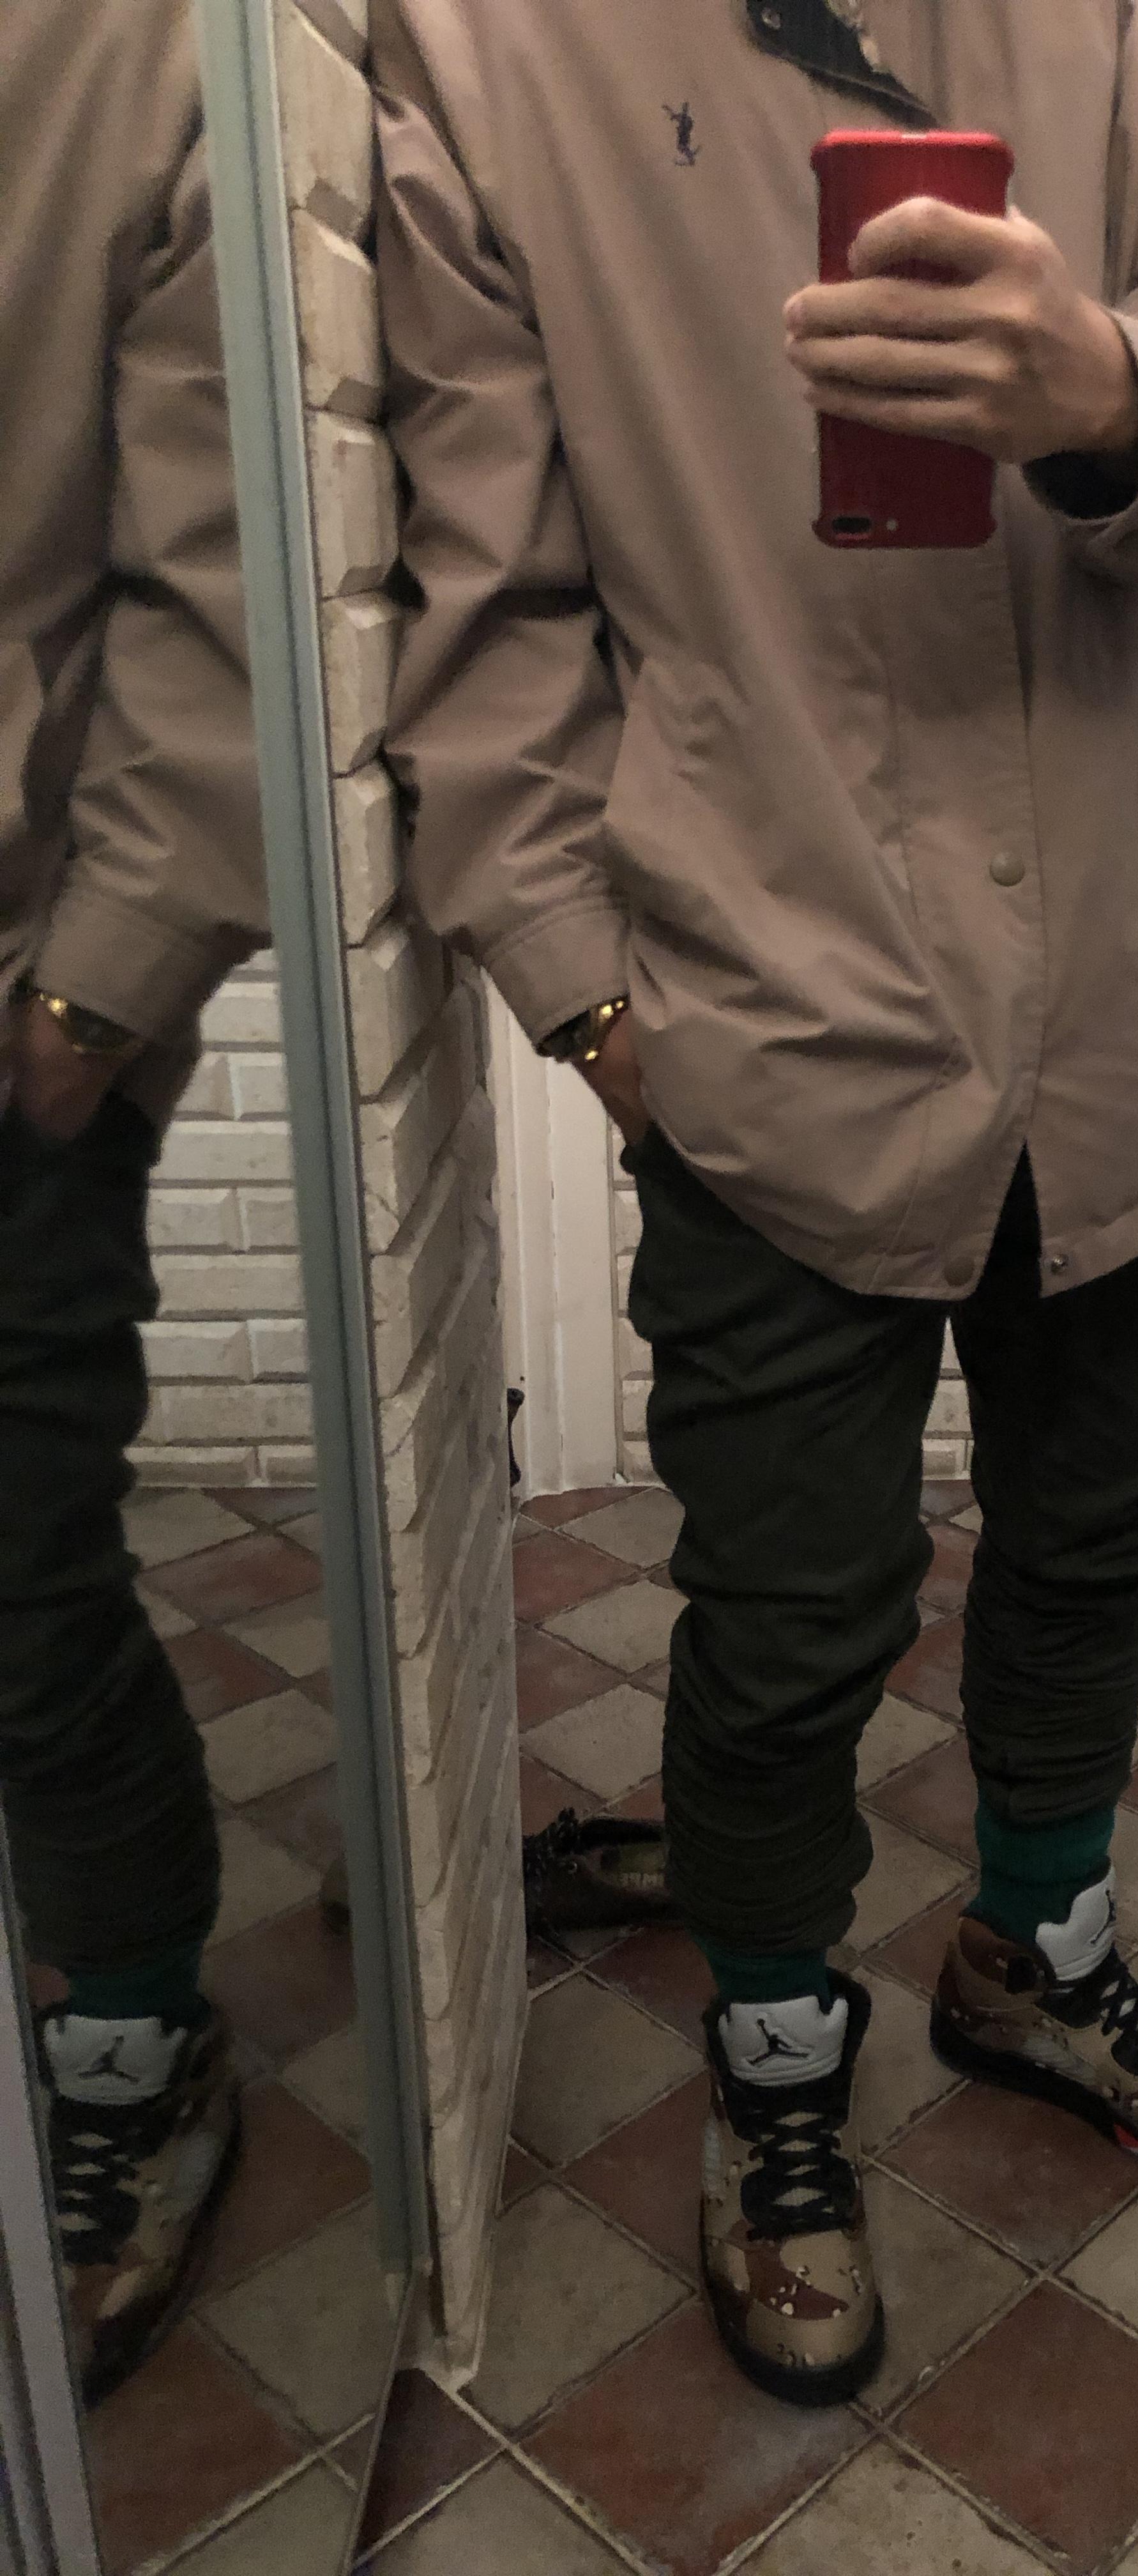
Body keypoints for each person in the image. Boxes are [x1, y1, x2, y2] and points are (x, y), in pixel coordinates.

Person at [374, 0, 1138, 2405]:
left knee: (1099, 1544)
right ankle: (777, 2059)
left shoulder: (1126, 16)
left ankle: (1035, 1951)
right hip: (768, 1014)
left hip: (1136, 991)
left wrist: (1112, 388)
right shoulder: (490, 53)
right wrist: (593, 1006)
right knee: (789, 1611)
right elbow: (487, 617)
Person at [0, 0, 266, 2404]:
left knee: (12, 1578)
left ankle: (137, 2033)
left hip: (9, 1002)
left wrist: (100, 985)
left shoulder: (141, 40)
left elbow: (228, 572)